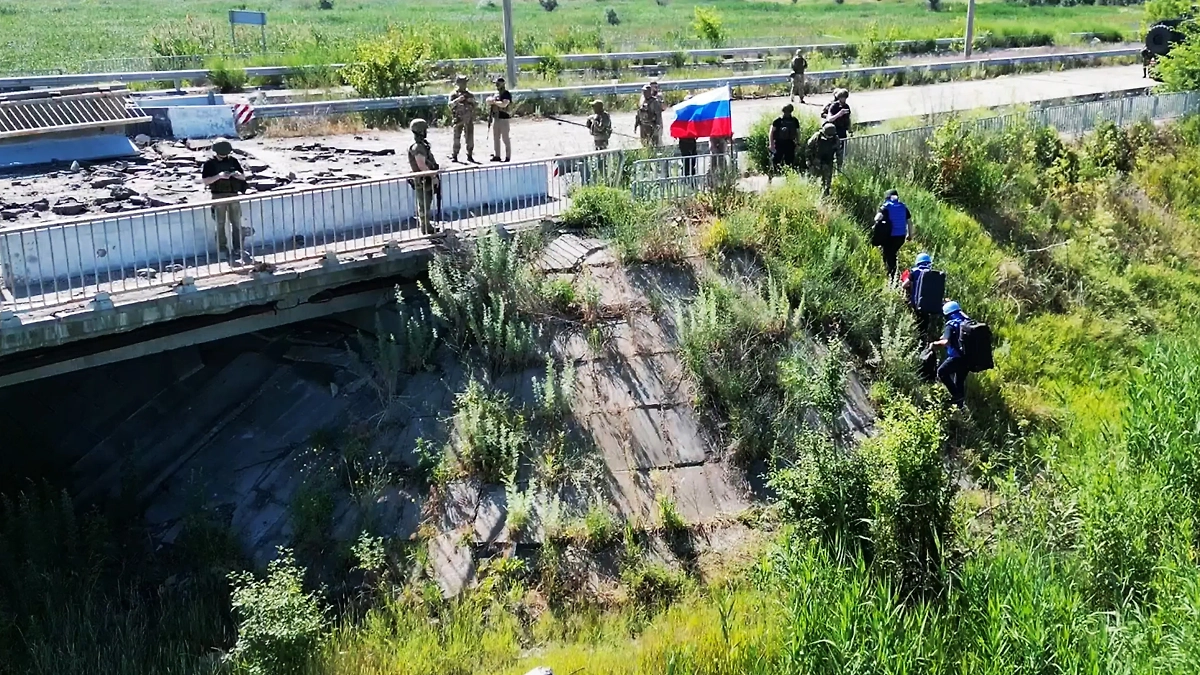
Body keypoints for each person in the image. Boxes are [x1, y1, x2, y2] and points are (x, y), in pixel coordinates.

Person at [201, 138, 249, 261]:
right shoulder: (209, 164)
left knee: (237, 223)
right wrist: (219, 176)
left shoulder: (233, 160)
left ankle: (238, 248)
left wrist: (236, 175)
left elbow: (243, 177)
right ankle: (222, 249)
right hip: (218, 196)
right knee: (220, 224)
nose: (224, 156)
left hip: (233, 194)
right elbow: (206, 181)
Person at [930, 300, 970, 408]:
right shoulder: (966, 321)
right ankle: (960, 408)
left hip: (956, 357)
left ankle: (956, 397)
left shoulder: (950, 324)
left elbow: (945, 342)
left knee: (941, 372)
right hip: (968, 358)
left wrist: (933, 344)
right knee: (959, 381)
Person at [406, 118, 440, 235]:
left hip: (426, 179)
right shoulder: (417, 147)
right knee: (424, 205)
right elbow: (421, 165)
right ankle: (425, 228)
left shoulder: (422, 145)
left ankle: (427, 226)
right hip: (424, 180)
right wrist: (433, 176)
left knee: (426, 204)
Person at [874, 189, 912, 281]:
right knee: (892, 253)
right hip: (901, 237)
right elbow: (910, 222)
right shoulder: (903, 207)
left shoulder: (886, 206)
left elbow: (877, 218)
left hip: (889, 236)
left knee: (888, 254)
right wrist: (909, 234)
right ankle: (891, 273)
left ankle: (891, 276)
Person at [448, 74, 477, 163]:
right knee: (456, 138)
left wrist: (472, 102)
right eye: (461, 83)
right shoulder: (454, 94)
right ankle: (455, 154)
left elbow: (476, 105)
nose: (463, 85)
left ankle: (470, 154)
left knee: (469, 138)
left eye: (464, 83)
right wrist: (458, 100)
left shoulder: (470, 94)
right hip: (458, 119)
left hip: (468, 119)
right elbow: (450, 105)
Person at [821, 88, 852, 170]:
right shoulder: (834, 106)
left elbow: (848, 119)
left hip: (843, 131)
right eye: (842, 97)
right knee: (832, 151)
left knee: (842, 152)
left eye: (845, 97)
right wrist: (839, 114)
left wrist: (850, 129)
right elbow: (829, 119)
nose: (843, 99)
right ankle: (831, 168)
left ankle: (840, 168)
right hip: (834, 131)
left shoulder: (846, 106)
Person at [806, 123, 839, 196]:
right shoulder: (817, 137)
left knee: (827, 182)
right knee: (812, 179)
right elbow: (809, 148)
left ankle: (825, 196)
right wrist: (808, 160)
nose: (829, 137)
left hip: (828, 162)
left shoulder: (835, 139)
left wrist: (838, 163)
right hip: (816, 161)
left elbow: (838, 151)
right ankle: (810, 194)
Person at [769, 103, 801, 178]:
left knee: (789, 163)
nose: (787, 113)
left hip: (790, 144)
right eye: (785, 111)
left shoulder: (794, 121)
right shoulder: (778, 121)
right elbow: (771, 132)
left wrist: (798, 143)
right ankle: (770, 179)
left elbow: (798, 133)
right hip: (779, 143)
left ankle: (788, 179)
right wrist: (771, 145)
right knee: (775, 162)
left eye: (788, 111)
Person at [487, 77, 513, 162]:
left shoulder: (506, 94)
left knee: (505, 138)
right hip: (496, 118)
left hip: (504, 119)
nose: (496, 85)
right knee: (496, 138)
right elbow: (488, 101)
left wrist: (494, 102)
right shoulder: (496, 94)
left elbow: (504, 104)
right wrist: (491, 101)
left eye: (498, 83)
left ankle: (508, 156)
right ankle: (497, 155)